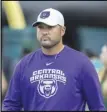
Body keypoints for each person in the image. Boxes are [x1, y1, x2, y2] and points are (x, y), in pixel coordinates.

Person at [3, 8, 106, 111]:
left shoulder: (82, 63)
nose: (44, 32)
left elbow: (97, 106)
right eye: (40, 27)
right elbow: (11, 105)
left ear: (62, 30)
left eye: (50, 27)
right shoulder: (24, 64)